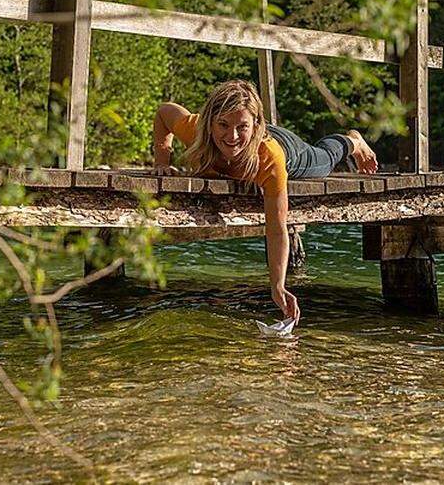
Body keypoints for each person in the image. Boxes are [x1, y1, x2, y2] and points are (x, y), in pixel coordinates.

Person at [152, 80, 379, 323]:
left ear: (255, 125)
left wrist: (278, 287)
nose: (232, 136)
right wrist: (162, 161)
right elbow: (164, 112)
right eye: (223, 125)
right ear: (209, 123)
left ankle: (352, 141)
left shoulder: (270, 158)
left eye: (241, 127)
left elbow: (276, 228)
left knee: (324, 159)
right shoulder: (195, 129)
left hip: (290, 150)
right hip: (260, 131)